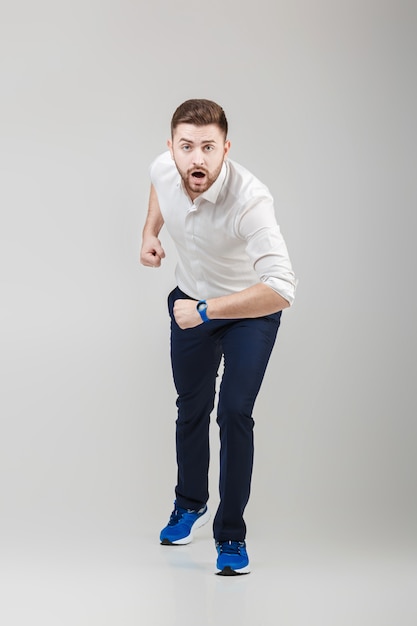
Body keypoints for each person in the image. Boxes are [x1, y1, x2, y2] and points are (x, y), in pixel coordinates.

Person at [140, 99, 296, 575]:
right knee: (191, 407)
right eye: (186, 147)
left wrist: (207, 310)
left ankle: (231, 536)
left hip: (249, 311)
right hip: (190, 306)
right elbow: (158, 187)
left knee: (233, 412)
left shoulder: (251, 198)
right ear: (172, 149)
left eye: (208, 147)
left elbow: (281, 288)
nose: (197, 159)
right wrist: (150, 232)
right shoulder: (165, 169)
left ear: (226, 148)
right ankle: (190, 503)